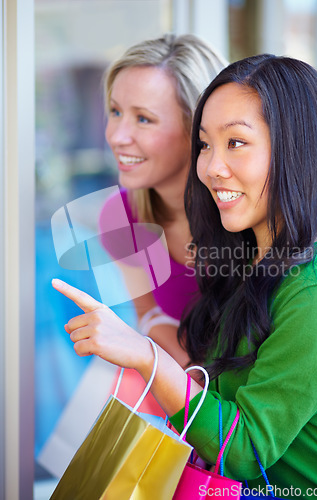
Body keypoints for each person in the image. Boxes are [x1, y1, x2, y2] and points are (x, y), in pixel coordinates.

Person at [52, 53, 317, 497]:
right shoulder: (251, 259)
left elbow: (244, 450)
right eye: (204, 144)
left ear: (296, 149)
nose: (211, 167)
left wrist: (148, 356)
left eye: (236, 143)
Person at [98, 33, 227, 413]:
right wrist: (190, 383)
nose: (118, 136)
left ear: (199, 130)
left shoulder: (253, 217)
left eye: (144, 119)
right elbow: (149, 316)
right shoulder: (119, 215)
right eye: (115, 111)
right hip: (195, 410)